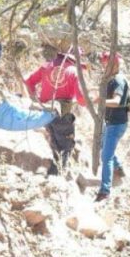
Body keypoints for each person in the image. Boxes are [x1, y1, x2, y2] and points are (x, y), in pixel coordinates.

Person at [25, 24, 87, 175]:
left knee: (53, 141)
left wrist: (35, 99)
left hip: (45, 111)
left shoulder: (47, 66)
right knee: (66, 144)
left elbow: (28, 82)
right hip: (62, 114)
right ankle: (60, 173)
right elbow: (82, 100)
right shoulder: (74, 71)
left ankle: (53, 170)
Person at [95, 51, 129, 202]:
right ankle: (119, 168)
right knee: (105, 146)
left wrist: (99, 100)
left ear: (114, 64)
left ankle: (104, 191)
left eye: (105, 64)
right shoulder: (112, 79)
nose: (104, 67)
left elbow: (116, 101)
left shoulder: (118, 81)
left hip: (116, 124)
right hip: (112, 122)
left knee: (106, 156)